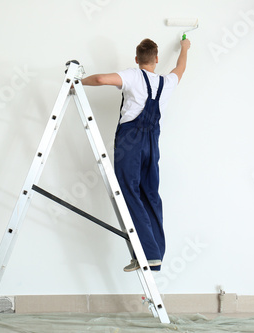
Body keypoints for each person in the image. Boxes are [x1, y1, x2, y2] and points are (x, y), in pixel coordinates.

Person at [82, 38, 191, 272]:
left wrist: (78, 83)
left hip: (130, 142)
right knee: (150, 194)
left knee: (129, 192)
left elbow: (101, 79)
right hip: (152, 143)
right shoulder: (166, 82)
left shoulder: (133, 75)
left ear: (136, 59)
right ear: (157, 59)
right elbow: (180, 68)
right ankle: (154, 254)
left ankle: (147, 253)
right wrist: (185, 48)